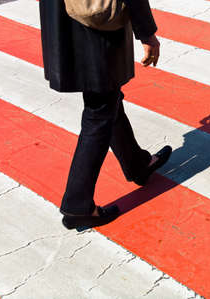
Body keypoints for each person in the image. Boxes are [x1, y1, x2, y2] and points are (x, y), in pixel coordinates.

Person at [39, 0, 172, 229]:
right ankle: (77, 205)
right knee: (101, 105)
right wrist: (147, 33)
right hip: (96, 20)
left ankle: (137, 164)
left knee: (106, 97)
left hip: (61, 19)